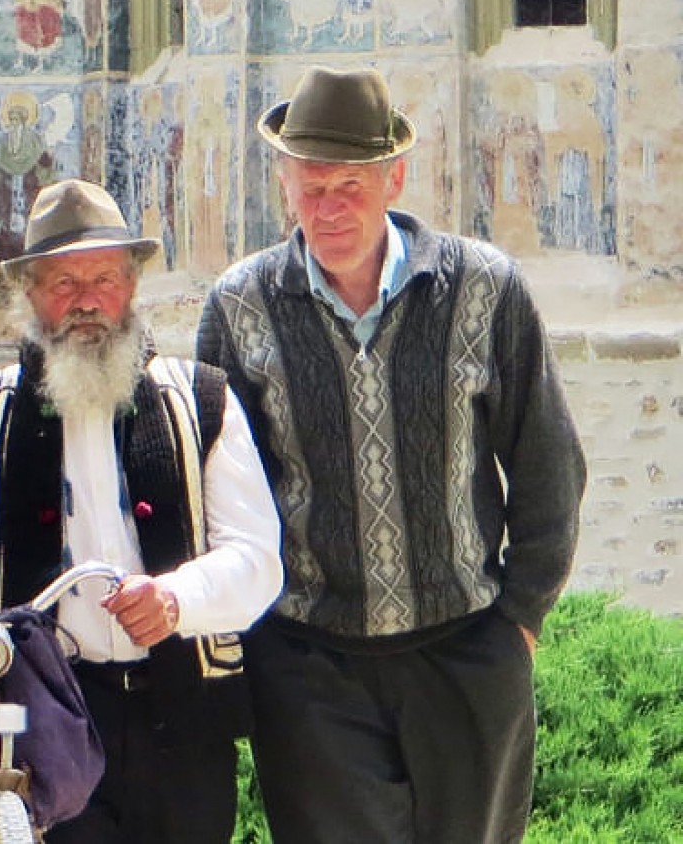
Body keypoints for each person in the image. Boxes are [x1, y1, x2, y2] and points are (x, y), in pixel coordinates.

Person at [0, 178, 283, 842]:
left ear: (131, 285)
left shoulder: (203, 401)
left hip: (182, 717)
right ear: (31, 297)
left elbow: (257, 561)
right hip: (41, 714)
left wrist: (177, 598)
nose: (86, 302)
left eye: (102, 279)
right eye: (63, 285)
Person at [195, 66, 587, 843]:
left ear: (394, 177)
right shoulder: (239, 308)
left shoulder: (486, 288)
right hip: (310, 666)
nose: (329, 208)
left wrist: (521, 618)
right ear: (284, 186)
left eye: (350, 187)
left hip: (467, 652)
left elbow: (548, 460)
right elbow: (225, 490)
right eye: (311, 188)